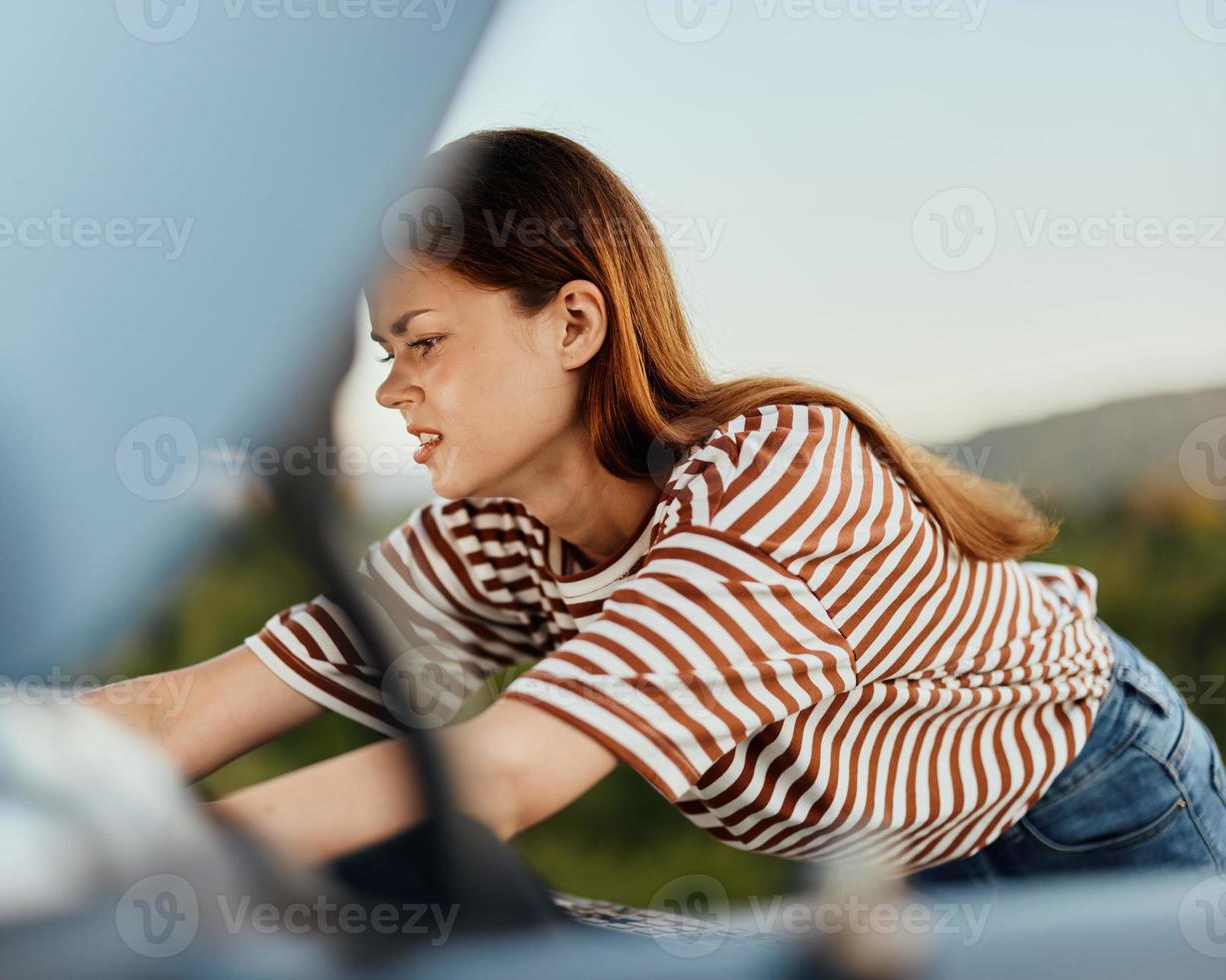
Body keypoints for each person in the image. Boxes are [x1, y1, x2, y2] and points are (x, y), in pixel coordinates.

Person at [77, 127, 1226, 894]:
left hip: (1090, 795)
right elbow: (202, 705)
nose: (389, 387)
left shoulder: (775, 481)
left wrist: (139, 880)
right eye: (384, 353)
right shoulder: (494, 528)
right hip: (890, 853)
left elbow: (501, 776)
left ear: (573, 324)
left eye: (423, 343)